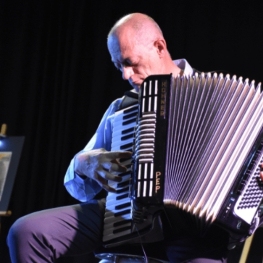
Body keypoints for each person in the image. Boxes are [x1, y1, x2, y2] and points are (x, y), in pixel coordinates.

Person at [7, 12, 255, 263]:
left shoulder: (229, 98)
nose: (126, 75)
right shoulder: (123, 108)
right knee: (26, 232)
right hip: (125, 214)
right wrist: (87, 162)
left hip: (197, 232)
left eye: (131, 62)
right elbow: (76, 185)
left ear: (159, 47)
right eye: (118, 66)